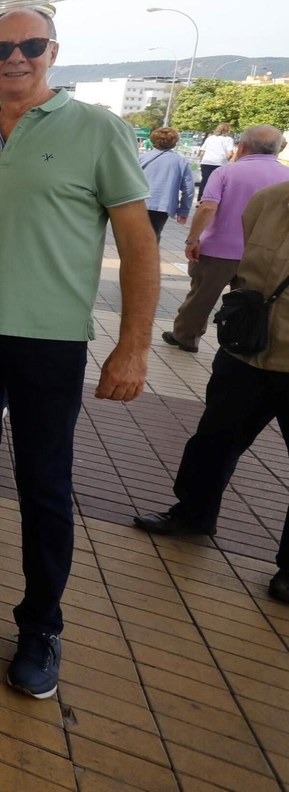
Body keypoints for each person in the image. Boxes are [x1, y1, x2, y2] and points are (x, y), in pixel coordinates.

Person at [0, 8, 159, 700]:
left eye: (31, 46)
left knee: (45, 485)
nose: (17, 57)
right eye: (2, 48)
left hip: (49, 341)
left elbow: (139, 246)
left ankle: (41, 624)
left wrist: (132, 348)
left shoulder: (99, 129)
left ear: (52, 52)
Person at [134, 178, 289, 605]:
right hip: (247, 353)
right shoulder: (270, 199)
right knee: (214, 439)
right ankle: (192, 513)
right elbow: (245, 268)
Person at [161, 125, 289, 352]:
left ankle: (186, 337)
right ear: (277, 148)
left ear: (242, 146)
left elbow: (208, 207)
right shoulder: (286, 177)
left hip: (219, 250)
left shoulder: (226, 172)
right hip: (264, 255)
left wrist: (193, 239)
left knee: (201, 297)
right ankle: (244, 341)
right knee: (254, 301)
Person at [139, 125, 194, 243]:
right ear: (174, 142)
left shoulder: (141, 158)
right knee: (153, 236)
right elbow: (188, 189)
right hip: (162, 205)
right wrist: (184, 211)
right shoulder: (180, 162)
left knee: (134, 235)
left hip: (139, 202)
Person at [198, 122, 236, 194]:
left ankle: (200, 199)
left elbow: (202, 152)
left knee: (205, 181)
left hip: (206, 162)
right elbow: (230, 153)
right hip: (220, 163)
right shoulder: (228, 139)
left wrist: (201, 161)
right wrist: (227, 159)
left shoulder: (210, 138)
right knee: (218, 183)